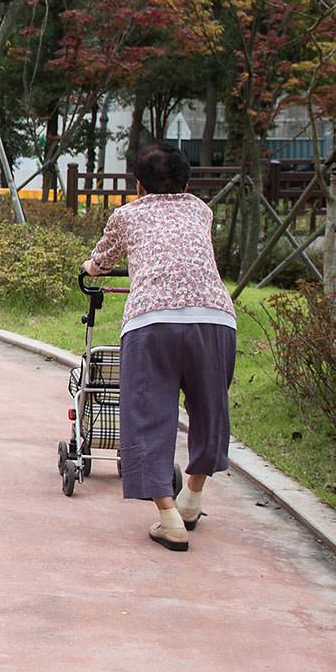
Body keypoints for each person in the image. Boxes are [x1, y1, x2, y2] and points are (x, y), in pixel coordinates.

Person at [81, 141, 235, 553]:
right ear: (187, 182)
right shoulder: (201, 210)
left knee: (148, 413)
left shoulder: (127, 215)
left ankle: (169, 519)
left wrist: (90, 269)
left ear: (138, 186)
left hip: (152, 323)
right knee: (209, 408)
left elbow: (104, 260)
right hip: (215, 319)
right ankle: (192, 498)